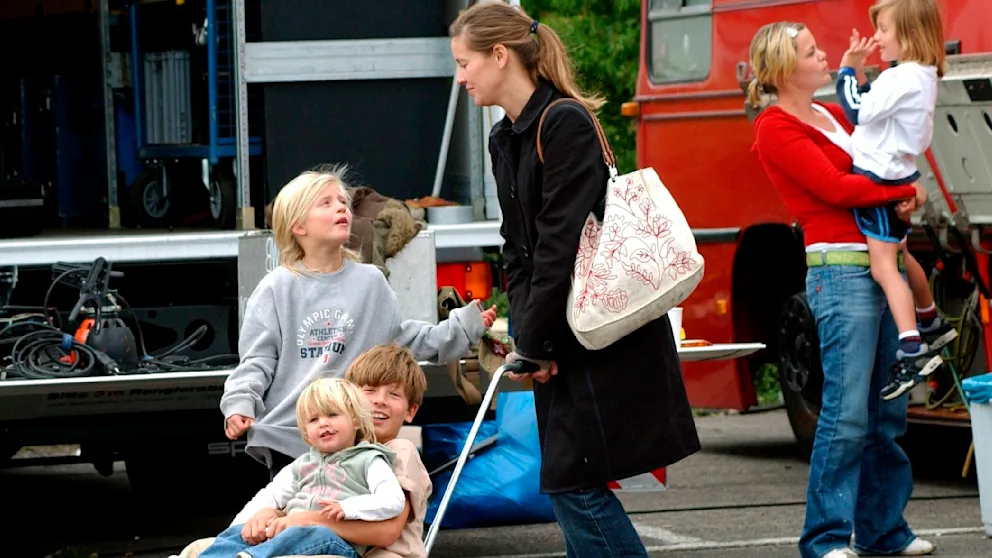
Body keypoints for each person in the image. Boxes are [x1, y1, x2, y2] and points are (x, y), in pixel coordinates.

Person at [449, 3, 701, 557]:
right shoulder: (505, 138)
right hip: (559, 334)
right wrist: (529, 340)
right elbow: (517, 249)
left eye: (465, 63)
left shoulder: (563, 122)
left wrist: (535, 344)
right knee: (570, 481)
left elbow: (559, 244)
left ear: (499, 55)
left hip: (601, 330)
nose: (461, 77)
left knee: (572, 482)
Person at [747, 21, 936, 557]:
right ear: (786, 69)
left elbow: (871, 170)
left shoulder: (829, 116)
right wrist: (904, 190)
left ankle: (883, 531)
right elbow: (835, 188)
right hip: (839, 273)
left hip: (874, 267)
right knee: (848, 414)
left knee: (886, 413)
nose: (824, 55)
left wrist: (900, 195)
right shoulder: (775, 127)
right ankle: (826, 538)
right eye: (812, 51)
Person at [220, 164, 497, 477]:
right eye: (326, 203)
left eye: (342, 202)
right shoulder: (275, 289)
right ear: (298, 226)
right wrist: (240, 402)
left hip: (356, 435)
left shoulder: (370, 282)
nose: (341, 207)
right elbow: (256, 362)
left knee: (351, 521)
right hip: (292, 435)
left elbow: (403, 342)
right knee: (297, 522)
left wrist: (462, 328)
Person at [172, 344, 433, 558]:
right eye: (369, 391)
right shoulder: (329, 454)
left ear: (411, 411)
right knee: (199, 548)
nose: (379, 400)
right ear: (351, 401)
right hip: (323, 542)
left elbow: (387, 532)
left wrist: (307, 520)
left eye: (394, 395)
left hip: (384, 553)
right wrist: (271, 514)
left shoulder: (399, 451)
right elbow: (298, 504)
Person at [834, 0, 956, 400]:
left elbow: (857, 110)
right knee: (903, 256)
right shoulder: (919, 76)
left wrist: (845, 71)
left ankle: (911, 345)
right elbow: (877, 102)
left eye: (883, 29)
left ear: (907, 33)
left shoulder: (900, 77)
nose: (877, 38)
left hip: (878, 179)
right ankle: (929, 318)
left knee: (885, 267)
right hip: (899, 172)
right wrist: (860, 71)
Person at [199, 377, 404, 558]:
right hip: (290, 532)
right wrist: (245, 524)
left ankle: (252, 556)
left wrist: (347, 507)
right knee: (241, 530)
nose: (323, 424)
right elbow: (269, 496)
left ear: (356, 421)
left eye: (332, 415)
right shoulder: (302, 464)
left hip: (336, 541)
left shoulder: (369, 460)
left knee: (315, 532)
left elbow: (393, 500)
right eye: (314, 419)